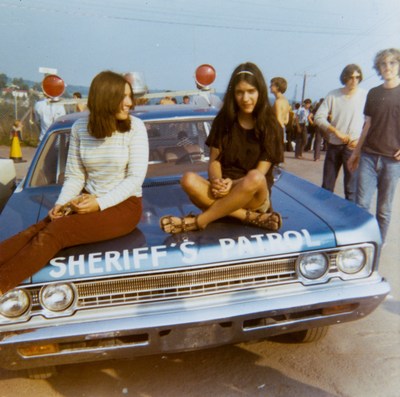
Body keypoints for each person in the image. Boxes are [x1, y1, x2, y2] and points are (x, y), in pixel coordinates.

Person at [0, 71, 149, 296]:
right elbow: (75, 176)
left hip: (124, 206)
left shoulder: (135, 128)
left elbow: (135, 179)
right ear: (105, 98)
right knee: (40, 226)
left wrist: (98, 203)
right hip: (86, 201)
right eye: (124, 97)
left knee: (56, 232)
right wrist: (61, 204)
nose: (130, 103)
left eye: (130, 96)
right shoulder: (80, 128)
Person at [159, 62, 284, 234]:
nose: (245, 98)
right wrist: (217, 181)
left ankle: (198, 221)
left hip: (253, 195)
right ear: (233, 94)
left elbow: (260, 175)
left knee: (254, 177)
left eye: (251, 91)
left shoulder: (271, 126)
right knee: (188, 179)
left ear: (260, 92)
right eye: (240, 92)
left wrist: (231, 184)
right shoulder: (223, 122)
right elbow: (214, 162)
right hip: (222, 193)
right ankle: (249, 217)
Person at [348, 49, 400, 242]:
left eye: (393, 63)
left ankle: (378, 245)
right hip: (369, 157)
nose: (388, 68)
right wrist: (356, 152)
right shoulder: (373, 93)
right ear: (378, 68)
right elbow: (367, 125)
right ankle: (359, 245)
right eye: (383, 64)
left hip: (392, 161)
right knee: (360, 205)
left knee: (384, 210)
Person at [315, 64, 366, 201]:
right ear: (345, 78)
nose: (354, 80)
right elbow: (318, 117)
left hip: (353, 148)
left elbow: (370, 122)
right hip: (334, 145)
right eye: (351, 77)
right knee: (327, 186)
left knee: (351, 190)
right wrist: (336, 132)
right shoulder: (333, 95)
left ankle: (349, 220)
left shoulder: (364, 95)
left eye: (357, 77)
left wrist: (361, 141)